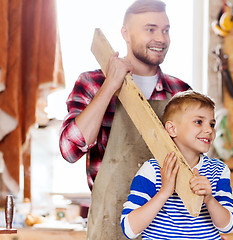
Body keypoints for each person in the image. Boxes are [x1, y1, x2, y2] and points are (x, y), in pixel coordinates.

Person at [59, 0, 191, 190]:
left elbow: (193, 163)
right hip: (108, 215)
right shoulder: (92, 82)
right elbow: (69, 151)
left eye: (165, 30)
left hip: (166, 216)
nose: (161, 39)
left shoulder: (180, 91)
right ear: (125, 34)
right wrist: (111, 84)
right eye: (150, 29)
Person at [121, 90, 233, 239]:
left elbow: (227, 225)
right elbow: (130, 229)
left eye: (212, 124)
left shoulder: (219, 170)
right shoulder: (152, 170)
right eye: (198, 122)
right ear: (172, 129)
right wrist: (164, 192)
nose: (209, 130)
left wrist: (209, 199)